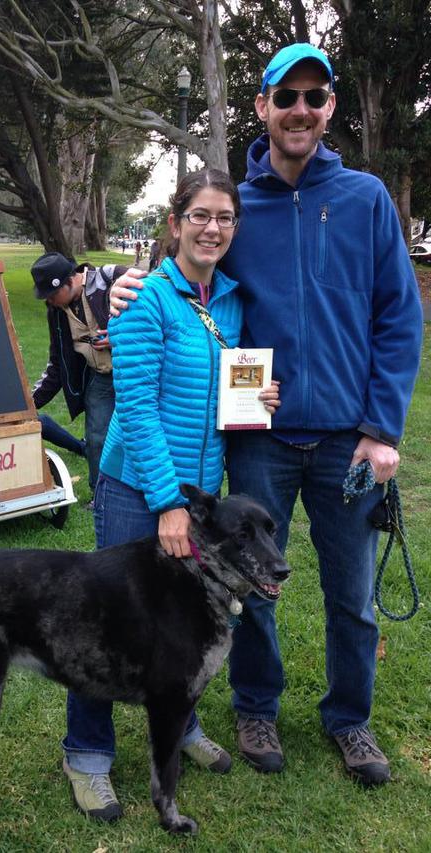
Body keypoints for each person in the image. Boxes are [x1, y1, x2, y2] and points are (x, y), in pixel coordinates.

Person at [109, 43, 423, 786]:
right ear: (262, 107)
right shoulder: (239, 207)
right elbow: (188, 265)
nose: (301, 111)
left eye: (316, 97)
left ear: (330, 108)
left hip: (349, 438)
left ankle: (350, 719)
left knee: (351, 594)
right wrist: (123, 285)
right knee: (250, 585)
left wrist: (381, 429)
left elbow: (398, 319)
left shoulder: (366, 199)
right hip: (261, 439)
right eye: (288, 96)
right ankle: (256, 704)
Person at [61, 168, 281, 821]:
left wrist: (255, 400)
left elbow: (222, 395)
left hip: (202, 493)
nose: (212, 228)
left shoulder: (230, 303)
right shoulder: (143, 300)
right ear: (175, 222)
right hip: (140, 488)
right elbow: (139, 405)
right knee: (108, 619)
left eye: (224, 218)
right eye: (200, 215)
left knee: (186, 622)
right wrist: (168, 503)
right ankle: (88, 752)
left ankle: (179, 724)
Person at [31, 252, 126, 497]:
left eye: (52, 295)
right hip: (101, 377)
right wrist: (28, 404)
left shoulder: (113, 278)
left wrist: (119, 337)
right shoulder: (56, 312)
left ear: (70, 281)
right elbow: (56, 364)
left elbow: (159, 318)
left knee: (143, 434)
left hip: (136, 374)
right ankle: (100, 496)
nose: (50, 301)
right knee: (96, 439)